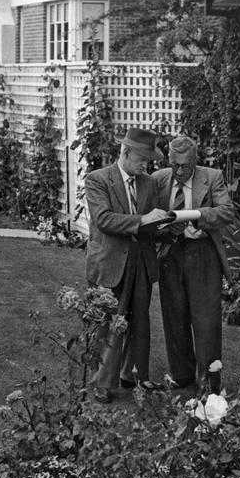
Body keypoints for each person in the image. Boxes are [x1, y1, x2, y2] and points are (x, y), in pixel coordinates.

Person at [84, 127, 172, 402]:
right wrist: (144, 219)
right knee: (108, 323)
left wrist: (168, 225)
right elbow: (104, 220)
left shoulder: (147, 183)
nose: (147, 166)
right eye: (142, 159)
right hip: (110, 262)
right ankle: (101, 383)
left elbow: (151, 226)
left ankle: (134, 377)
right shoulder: (97, 180)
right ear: (125, 152)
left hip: (141, 262)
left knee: (140, 322)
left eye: (149, 161)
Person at [152, 135, 236, 393]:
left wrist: (196, 216)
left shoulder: (211, 177)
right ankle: (181, 374)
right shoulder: (158, 180)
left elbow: (227, 212)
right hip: (171, 253)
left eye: (185, 166)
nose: (179, 171)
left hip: (203, 255)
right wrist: (167, 228)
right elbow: (148, 218)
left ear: (195, 161)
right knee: (174, 316)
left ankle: (208, 381)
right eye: (174, 165)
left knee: (206, 320)